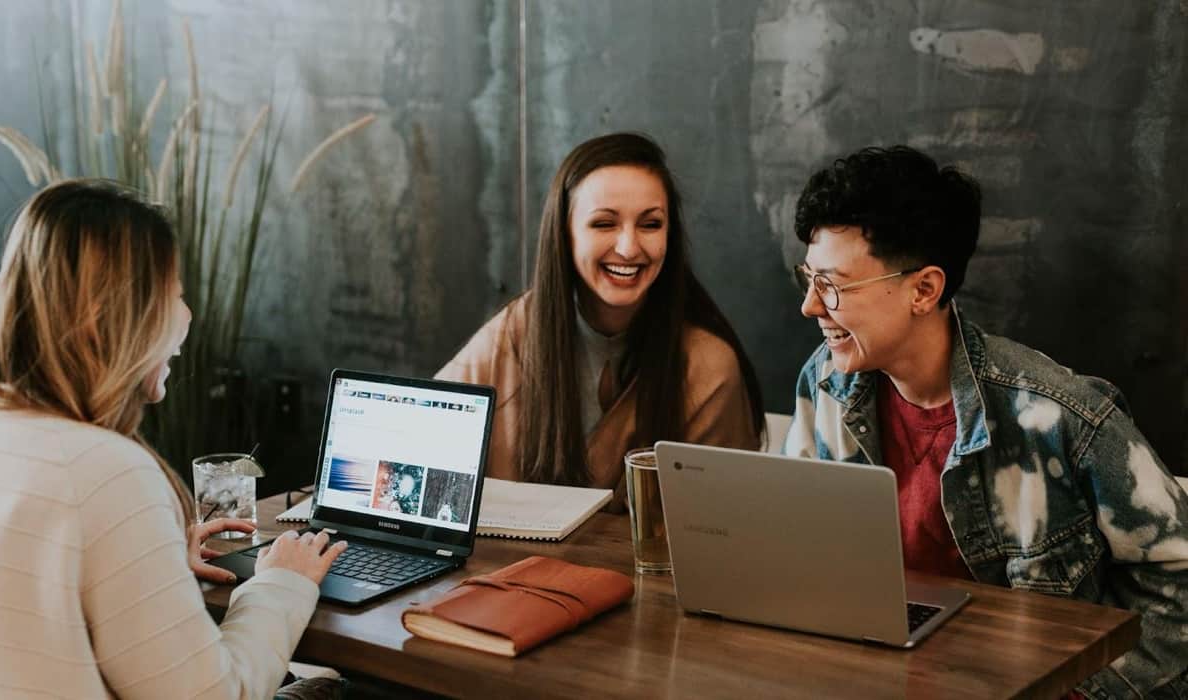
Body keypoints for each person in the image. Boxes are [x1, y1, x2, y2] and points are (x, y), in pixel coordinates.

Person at [782, 145, 1188, 698]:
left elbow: (1177, 581)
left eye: (831, 285)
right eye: (808, 277)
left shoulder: (1059, 416)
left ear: (923, 290)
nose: (810, 305)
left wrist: (1074, 690)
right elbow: (791, 543)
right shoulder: (828, 380)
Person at [0, 180, 347, 698]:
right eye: (176, 296)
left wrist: (152, 558)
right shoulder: (106, 470)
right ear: (118, 316)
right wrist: (282, 582)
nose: (186, 318)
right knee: (332, 686)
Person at [438, 132, 763, 510]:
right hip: (507, 568)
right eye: (604, 224)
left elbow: (723, 528)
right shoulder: (513, 333)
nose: (628, 247)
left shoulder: (708, 366)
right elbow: (419, 443)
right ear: (565, 233)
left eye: (650, 224)